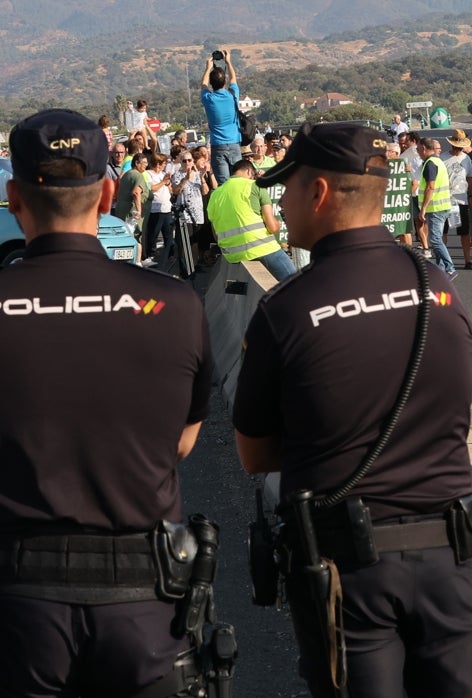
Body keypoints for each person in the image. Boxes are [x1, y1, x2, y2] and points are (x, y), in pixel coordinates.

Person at [233, 122, 472, 697]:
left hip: (350, 573)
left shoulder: (285, 312)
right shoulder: (440, 290)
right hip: (450, 560)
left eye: (286, 188)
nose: (280, 201)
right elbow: (453, 414)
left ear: (317, 193)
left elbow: (254, 454)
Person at [0, 108, 218, 696]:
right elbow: (182, 441)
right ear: (109, 194)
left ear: (14, 196)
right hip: (145, 599)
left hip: (18, 603)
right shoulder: (173, 304)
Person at [205, 158, 296, 282]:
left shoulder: (215, 194)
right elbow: (272, 227)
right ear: (249, 172)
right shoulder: (255, 185)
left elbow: (215, 231)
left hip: (232, 255)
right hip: (261, 247)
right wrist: (278, 224)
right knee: (296, 281)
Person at [415, 137, 457, 278]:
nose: (417, 152)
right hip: (442, 205)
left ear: (424, 149)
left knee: (435, 240)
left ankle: (450, 268)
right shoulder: (438, 161)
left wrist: (423, 208)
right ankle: (441, 269)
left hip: (436, 207)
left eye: (418, 149)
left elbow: (430, 187)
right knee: (437, 238)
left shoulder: (430, 163)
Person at [201, 52, 241, 183]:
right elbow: (234, 79)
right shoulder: (232, 94)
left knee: (224, 184)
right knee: (238, 181)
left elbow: (203, 85)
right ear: (225, 81)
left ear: (212, 84)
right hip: (234, 143)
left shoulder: (208, 98)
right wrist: (228, 62)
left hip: (218, 145)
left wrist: (208, 68)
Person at [445, 130, 472, 270]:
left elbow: (469, 178)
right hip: (446, 200)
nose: (458, 149)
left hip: (462, 200)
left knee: (464, 232)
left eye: (460, 146)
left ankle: (468, 260)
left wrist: (471, 195)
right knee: (444, 232)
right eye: (456, 146)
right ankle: (445, 261)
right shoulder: (443, 158)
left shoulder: (466, 159)